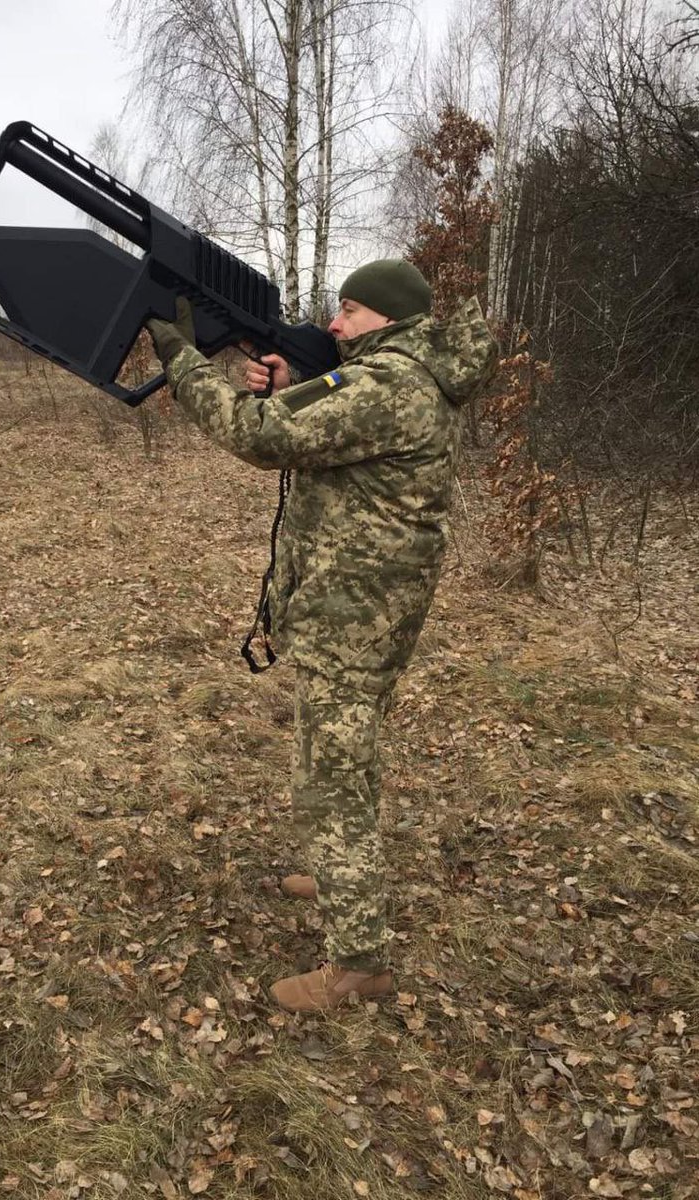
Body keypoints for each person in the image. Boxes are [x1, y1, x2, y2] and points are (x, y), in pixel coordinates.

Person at [145, 261, 497, 1012]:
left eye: (349, 312)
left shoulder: (389, 387)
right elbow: (319, 429)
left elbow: (256, 433)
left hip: (355, 617)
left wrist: (179, 356)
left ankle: (360, 966)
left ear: (388, 320)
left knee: (333, 780)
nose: (334, 326)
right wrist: (293, 380)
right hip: (366, 609)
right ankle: (342, 873)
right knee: (341, 755)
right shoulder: (401, 377)